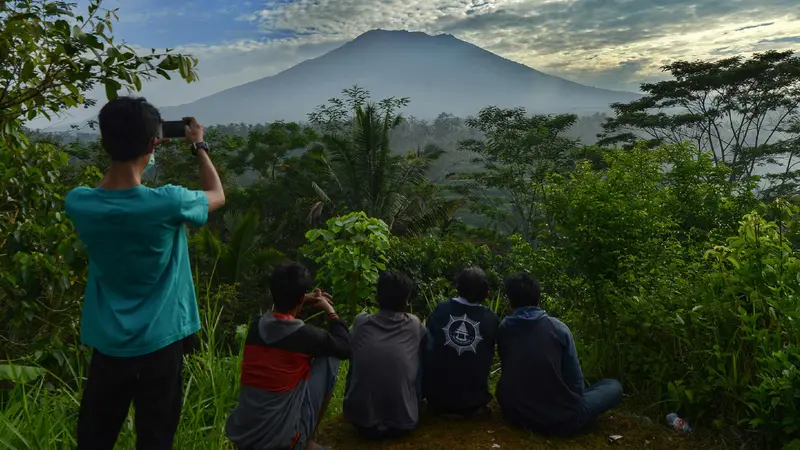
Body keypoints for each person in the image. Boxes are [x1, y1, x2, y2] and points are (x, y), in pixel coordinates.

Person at [65, 97, 225, 450]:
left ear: (105, 142)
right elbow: (217, 194)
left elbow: (113, 190)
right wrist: (198, 144)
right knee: (155, 439)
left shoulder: (78, 203)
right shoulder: (168, 203)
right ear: (154, 142)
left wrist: (143, 148)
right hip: (161, 344)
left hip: (108, 346)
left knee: (94, 439)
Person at [226, 262, 348, 450]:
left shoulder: (255, 327)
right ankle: (305, 441)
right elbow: (344, 347)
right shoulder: (306, 336)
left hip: (245, 436)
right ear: (299, 299)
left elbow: (279, 311)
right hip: (282, 443)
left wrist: (301, 298)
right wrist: (330, 311)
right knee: (330, 357)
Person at [496, 272, 623, 436]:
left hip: (515, 413)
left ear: (510, 302)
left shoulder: (504, 328)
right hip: (560, 420)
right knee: (613, 386)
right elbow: (576, 383)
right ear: (538, 299)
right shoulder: (558, 329)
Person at [343, 271, 427, 439]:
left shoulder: (361, 322)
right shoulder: (414, 325)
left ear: (377, 297)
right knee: (417, 360)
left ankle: (359, 403)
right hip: (404, 423)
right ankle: (409, 404)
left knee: (356, 360)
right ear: (406, 301)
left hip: (361, 423)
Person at [423, 267, 499, 418]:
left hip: (437, 400)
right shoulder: (491, 319)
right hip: (474, 402)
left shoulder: (441, 310)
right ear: (485, 291)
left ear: (458, 287)